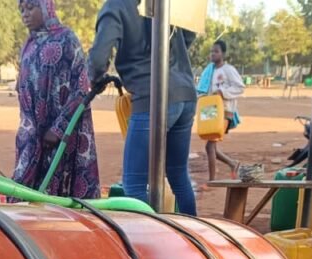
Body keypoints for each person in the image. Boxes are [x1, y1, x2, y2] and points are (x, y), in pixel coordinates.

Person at [88, 0, 197, 214]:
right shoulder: (169, 3)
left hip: (152, 97)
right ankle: (192, 239)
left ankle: (151, 241)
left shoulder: (116, 6)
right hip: (185, 93)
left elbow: (98, 58)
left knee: (134, 184)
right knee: (178, 175)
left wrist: (95, 77)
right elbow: (189, 34)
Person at [13, 0, 100, 198]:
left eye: (31, 8)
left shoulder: (67, 39)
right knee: (25, 187)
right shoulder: (29, 44)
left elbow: (81, 87)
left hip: (61, 134)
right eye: (22, 10)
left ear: (46, 8)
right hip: (33, 131)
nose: (25, 14)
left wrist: (58, 129)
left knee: (57, 188)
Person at [197, 39, 244, 183]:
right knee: (211, 145)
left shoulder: (228, 70)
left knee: (210, 145)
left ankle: (212, 180)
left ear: (223, 53)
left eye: (216, 51)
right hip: (211, 111)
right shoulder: (209, 71)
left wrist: (223, 92)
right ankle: (233, 163)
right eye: (211, 51)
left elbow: (240, 87)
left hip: (225, 112)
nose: (213, 54)